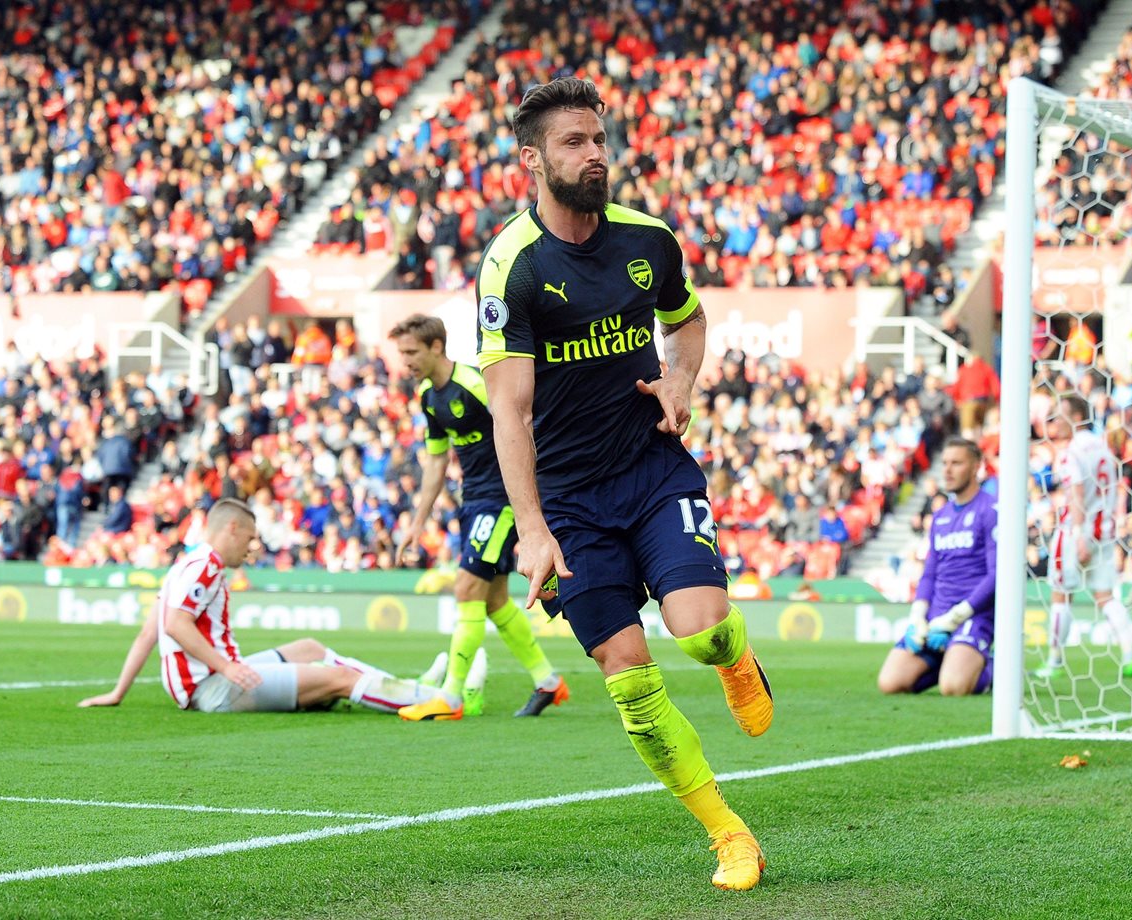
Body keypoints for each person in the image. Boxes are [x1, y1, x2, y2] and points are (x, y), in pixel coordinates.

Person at [476, 78, 772, 892]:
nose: (595, 154)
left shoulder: (649, 240)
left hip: (650, 469)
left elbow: (689, 320)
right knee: (630, 679)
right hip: (569, 503)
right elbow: (509, 412)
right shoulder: (512, 267)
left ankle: (734, 657)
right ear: (532, 159)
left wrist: (681, 378)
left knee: (699, 632)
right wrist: (533, 530)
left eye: (599, 139)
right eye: (574, 142)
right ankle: (728, 833)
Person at [78, 499, 476, 713]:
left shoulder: (185, 564)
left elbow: (148, 632)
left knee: (310, 648)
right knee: (338, 678)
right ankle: (435, 699)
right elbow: (174, 625)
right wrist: (227, 668)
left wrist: (117, 692)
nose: (252, 547)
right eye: (249, 538)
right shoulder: (206, 566)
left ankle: (407, 686)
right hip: (214, 689)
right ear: (231, 529)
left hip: (212, 681)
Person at [388, 313, 569, 720]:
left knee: (467, 588)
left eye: (411, 352)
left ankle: (451, 696)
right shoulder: (428, 396)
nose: (406, 361)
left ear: (436, 346)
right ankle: (547, 681)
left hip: (503, 499)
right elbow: (436, 463)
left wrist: (539, 496)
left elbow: (523, 424)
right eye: (402, 353)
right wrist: (417, 523)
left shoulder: (473, 382)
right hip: (473, 501)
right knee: (494, 601)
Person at [877, 438, 997, 696]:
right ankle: (950, 660)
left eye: (956, 463)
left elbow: (996, 575)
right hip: (936, 617)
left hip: (972, 615)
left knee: (953, 687)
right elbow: (930, 573)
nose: (948, 470)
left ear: (976, 466)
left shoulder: (991, 510)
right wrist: (917, 616)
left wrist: (956, 617)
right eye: (944, 463)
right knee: (890, 683)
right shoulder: (941, 516)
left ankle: (991, 667)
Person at [1037, 396, 1132, 679]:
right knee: (1105, 596)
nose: (1055, 422)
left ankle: (1054, 661)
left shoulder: (1071, 452)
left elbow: (1077, 493)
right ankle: (1129, 655)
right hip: (1103, 531)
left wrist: (1079, 535)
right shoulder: (1103, 447)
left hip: (1075, 531)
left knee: (1061, 594)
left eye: (1060, 415)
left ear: (1077, 416)